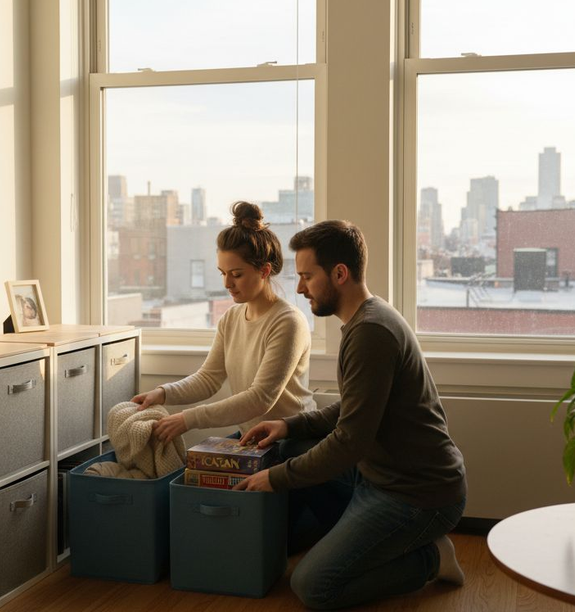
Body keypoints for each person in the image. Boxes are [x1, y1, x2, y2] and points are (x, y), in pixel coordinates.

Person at [235, 220, 467, 610]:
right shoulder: (365, 320)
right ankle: (361, 543)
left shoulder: (371, 332)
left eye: (307, 276)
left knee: (313, 586)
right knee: (292, 444)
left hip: (417, 495)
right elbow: (353, 408)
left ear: (339, 274)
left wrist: (274, 478)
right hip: (380, 477)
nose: (299, 287)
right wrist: (289, 424)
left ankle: (430, 559)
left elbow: (350, 440)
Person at [132, 201, 315, 443]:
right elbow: (209, 378)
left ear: (264, 271)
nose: (227, 284)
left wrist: (188, 419)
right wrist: (162, 393)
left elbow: (260, 398)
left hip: (292, 441)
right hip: (251, 438)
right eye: (223, 273)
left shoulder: (288, 323)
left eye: (236, 274)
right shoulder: (231, 319)